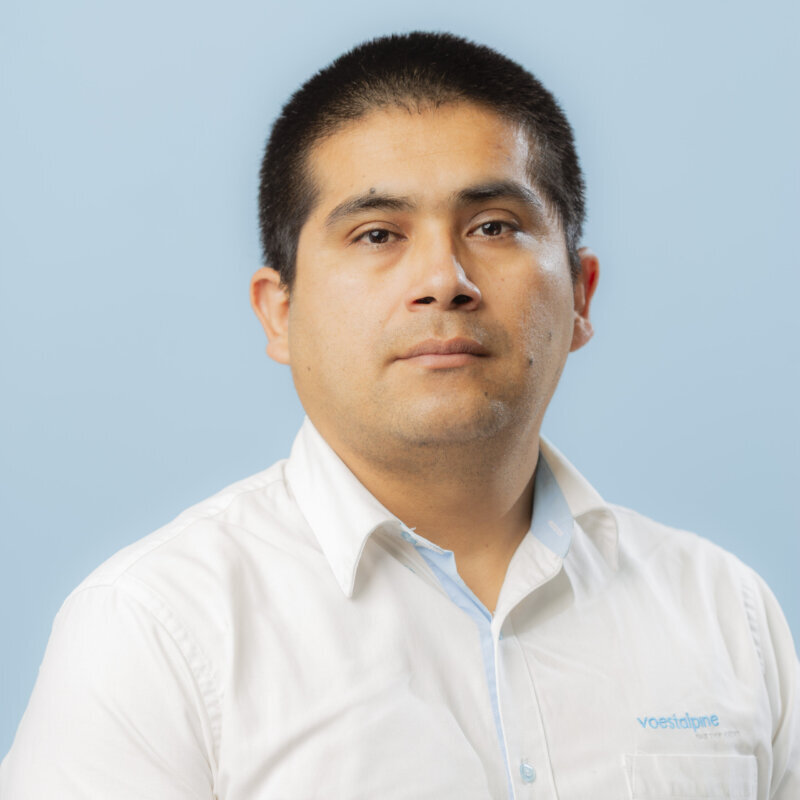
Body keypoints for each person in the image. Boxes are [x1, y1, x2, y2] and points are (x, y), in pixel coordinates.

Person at [1, 31, 797, 799]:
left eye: (494, 227)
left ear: (582, 296)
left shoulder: (728, 614)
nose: (444, 280)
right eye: (377, 233)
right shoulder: (154, 630)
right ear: (279, 311)